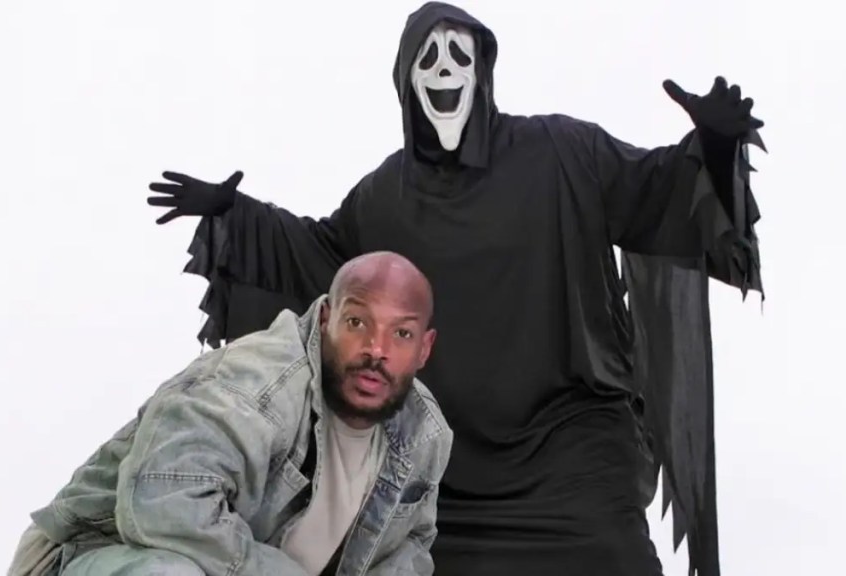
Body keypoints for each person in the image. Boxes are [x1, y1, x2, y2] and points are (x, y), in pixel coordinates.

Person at [146, 3, 767, 575]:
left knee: (615, 558)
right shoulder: (385, 194)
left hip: (573, 453)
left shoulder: (563, 152)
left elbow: (657, 193)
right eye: (428, 56)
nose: (444, 67)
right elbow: (324, 262)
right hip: (446, 473)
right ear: (406, 80)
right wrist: (238, 219)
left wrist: (713, 149)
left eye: (458, 54)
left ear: (483, 71)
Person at [8, 251, 452, 576]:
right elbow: (161, 507)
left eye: (401, 333)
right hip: (92, 554)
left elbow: (408, 549)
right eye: (357, 322)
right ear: (325, 318)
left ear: (424, 348)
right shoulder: (254, 386)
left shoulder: (423, 434)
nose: (376, 349)